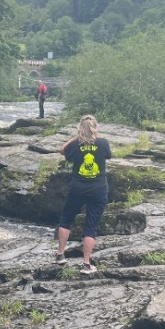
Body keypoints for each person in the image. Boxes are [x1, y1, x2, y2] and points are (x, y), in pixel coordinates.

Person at [56, 114, 112, 274]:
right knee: (91, 226)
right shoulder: (103, 143)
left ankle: (60, 255)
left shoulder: (75, 144)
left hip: (78, 188)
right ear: (96, 128)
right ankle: (86, 264)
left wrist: (77, 137)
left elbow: (61, 150)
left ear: (80, 128)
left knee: (66, 219)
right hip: (98, 189)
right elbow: (108, 155)